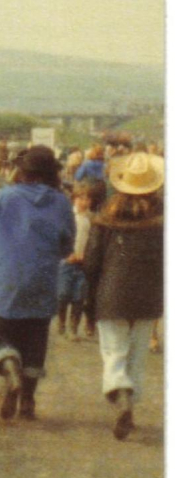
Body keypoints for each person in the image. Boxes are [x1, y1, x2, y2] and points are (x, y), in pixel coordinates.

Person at [0, 146, 75, 421]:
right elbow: (67, 244)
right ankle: (28, 402)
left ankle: (11, 369)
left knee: (1, 335)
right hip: (45, 278)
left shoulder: (5, 197)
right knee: (36, 339)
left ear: (23, 170)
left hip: (10, 278)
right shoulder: (61, 202)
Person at [83, 152, 164, 440]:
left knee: (114, 353)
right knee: (137, 356)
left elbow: (92, 264)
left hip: (111, 295)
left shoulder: (105, 218)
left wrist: (88, 304)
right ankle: (131, 402)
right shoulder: (162, 221)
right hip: (148, 298)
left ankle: (122, 398)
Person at [55, 182, 93, 337]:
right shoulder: (67, 216)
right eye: (81, 199)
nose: (84, 202)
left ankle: (73, 327)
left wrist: (87, 256)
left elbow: (91, 241)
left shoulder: (90, 219)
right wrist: (65, 254)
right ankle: (61, 322)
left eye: (87, 199)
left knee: (79, 296)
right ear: (74, 199)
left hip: (82, 263)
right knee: (63, 294)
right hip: (66, 262)